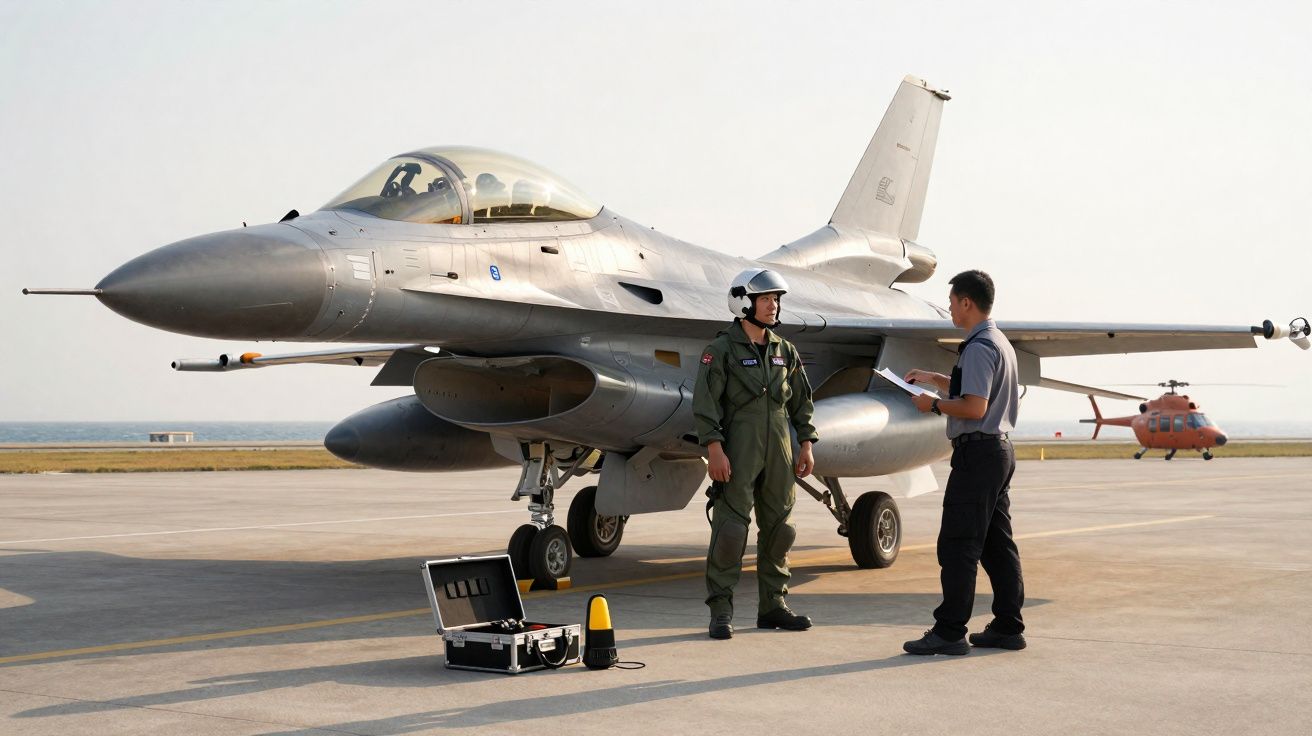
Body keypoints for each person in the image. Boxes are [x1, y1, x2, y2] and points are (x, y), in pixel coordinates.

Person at [901, 269, 1026, 655]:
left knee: (958, 545)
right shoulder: (997, 341)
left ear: (967, 303)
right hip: (997, 451)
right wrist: (934, 378)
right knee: (996, 544)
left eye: (953, 301)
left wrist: (932, 404)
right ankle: (1008, 626)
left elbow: (974, 406)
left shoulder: (978, 347)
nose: (950, 308)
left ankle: (950, 631)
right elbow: (974, 390)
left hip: (978, 454)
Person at [692, 268, 819, 640]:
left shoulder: (785, 350)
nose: (773, 306)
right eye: (765, 299)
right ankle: (721, 610)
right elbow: (705, 404)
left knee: (781, 531)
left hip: (779, 450)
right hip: (738, 449)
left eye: (776, 299)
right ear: (743, 302)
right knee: (730, 531)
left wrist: (807, 442)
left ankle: (774, 607)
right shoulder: (720, 351)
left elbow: (802, 402)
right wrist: (714, 449)